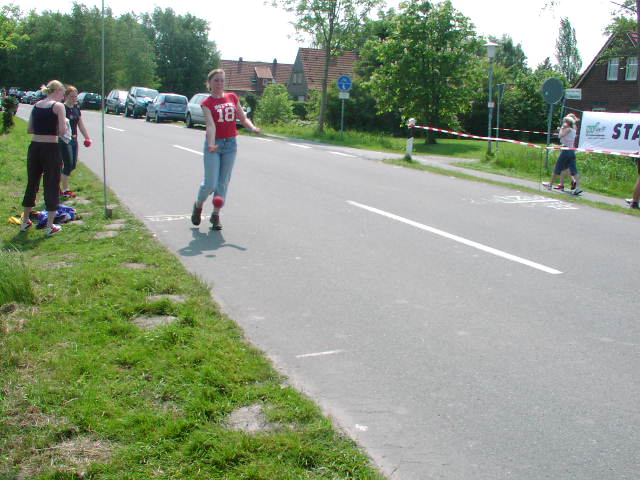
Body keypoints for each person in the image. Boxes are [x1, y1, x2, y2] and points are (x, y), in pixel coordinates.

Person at [190, 68, 261, 230]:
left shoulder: (232, 97)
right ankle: (198, 205)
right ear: (209, 83)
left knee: (223, 182)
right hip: (214, 145)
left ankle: (215, 215)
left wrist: (252, 128)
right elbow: (210, 125)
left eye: (222, 80)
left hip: (230, 145)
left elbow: (243, 118)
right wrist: (210, 143)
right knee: (210, 183)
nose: (219, 83)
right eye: (216, 80)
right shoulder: (207, 103)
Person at [20, 80, 69, 237]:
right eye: (63, 93)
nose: (63, 97)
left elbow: (30, 129)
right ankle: (50, 226)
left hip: (34, 147)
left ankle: (25, 221)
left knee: (32, 182)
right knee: (52, 183)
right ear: (57, 91)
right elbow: (62, 131)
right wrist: (64, 125)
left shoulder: (36, 105)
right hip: (50, 148)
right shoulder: (58, 106)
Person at [59, 85, 91, 198]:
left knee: (72, 165)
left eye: (75, 97)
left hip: (74, 139)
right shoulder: (62, 108)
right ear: (66, 96)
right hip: (64, 140)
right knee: (68, 164)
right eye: (71, 96)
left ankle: (56, 185)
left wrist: (87, 137)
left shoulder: (76, 108)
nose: (74, 99)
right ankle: (65, 190)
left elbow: (80, 124)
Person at [543, 113, 581, 194]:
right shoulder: (573, 129)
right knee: (573, 169)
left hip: (566, 150)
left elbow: (560, 136)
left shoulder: (568, 129)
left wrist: (561, 128)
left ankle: (550, 184)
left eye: (565, 121)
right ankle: (578, 187)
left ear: (568, 122)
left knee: (558, 167)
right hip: (571, 150)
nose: (564, 123)